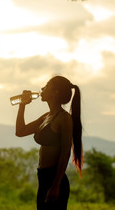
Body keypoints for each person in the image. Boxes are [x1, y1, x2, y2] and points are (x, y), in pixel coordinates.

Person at [15, 75, 83, 210]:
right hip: (43, 178)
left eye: (46, 86)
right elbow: (20, 131)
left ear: (55, 92)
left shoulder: (63, 118)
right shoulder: (47, 116)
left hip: (55, 179)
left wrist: (56, 186)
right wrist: (22, 104)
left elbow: (65, 153)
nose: (42, 88)